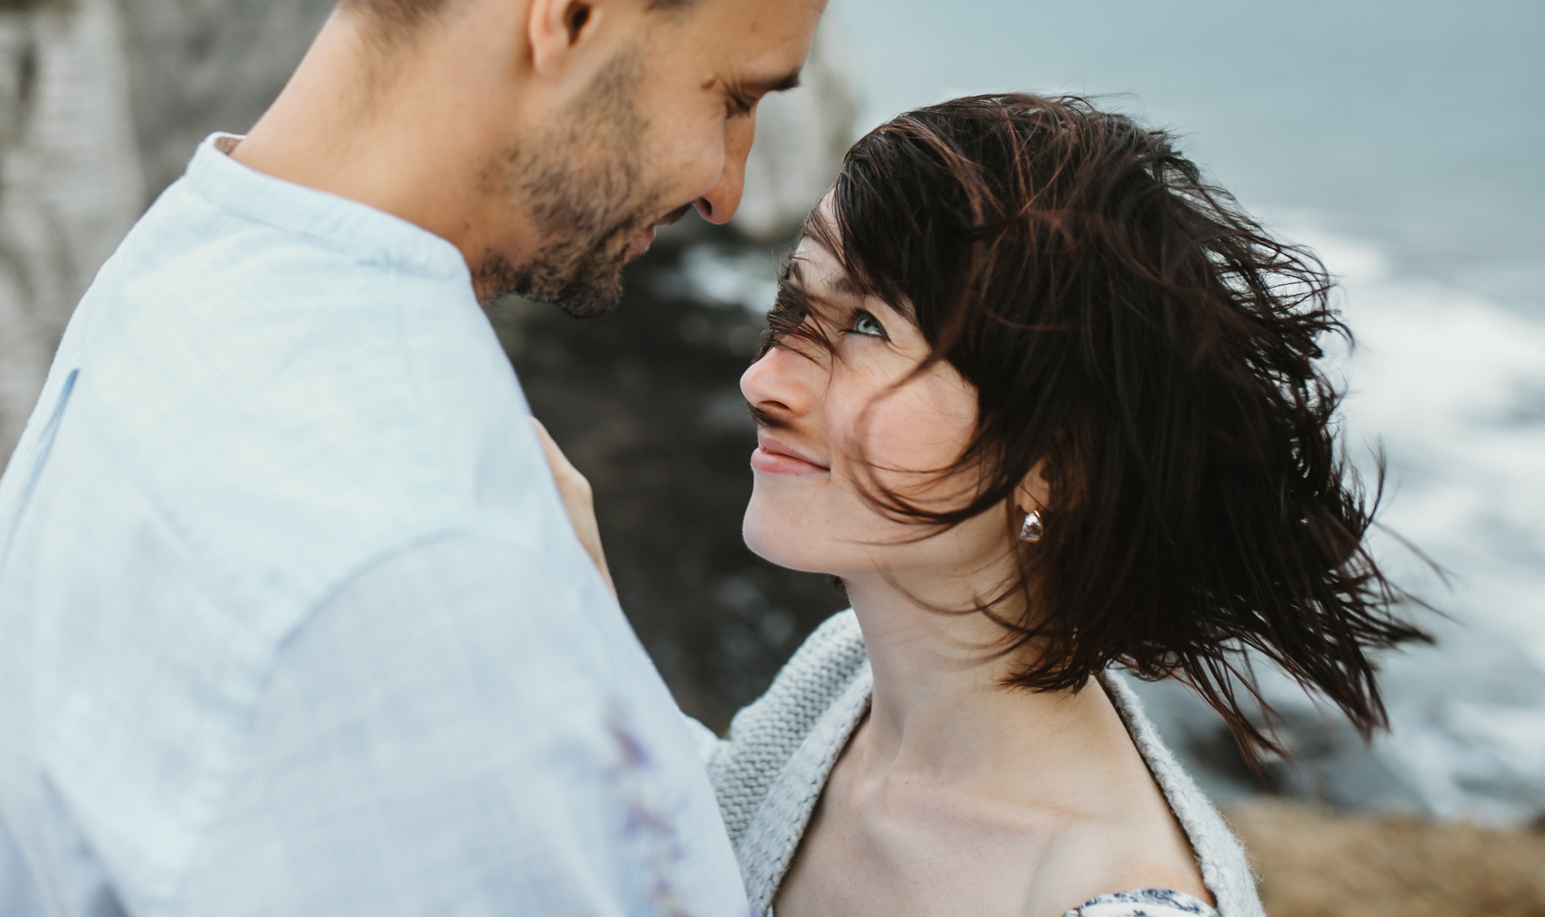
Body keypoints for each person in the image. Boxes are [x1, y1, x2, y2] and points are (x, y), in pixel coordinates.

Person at [0, 0, 839, 916]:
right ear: (579, 6)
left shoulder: (181, 271)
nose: (727, 190)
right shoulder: (412, 577)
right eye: (730, 96)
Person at [549, 94, 1425, 917]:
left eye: (866, 327)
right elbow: (700, 843)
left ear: (1057, 464)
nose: (762, 380)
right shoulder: (847, 678)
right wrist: (578, 624)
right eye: (794, 308)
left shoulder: (1112, 897)